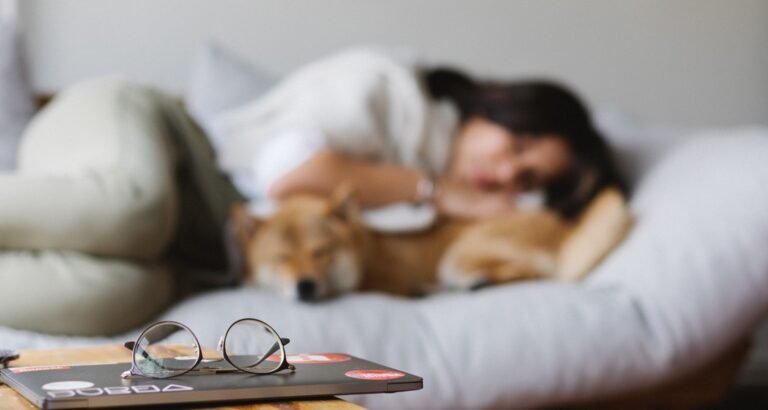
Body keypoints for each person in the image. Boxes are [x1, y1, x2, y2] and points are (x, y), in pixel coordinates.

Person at [210, 48, 625, 223]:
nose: (504, 175)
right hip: (186, 156)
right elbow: (289, 175)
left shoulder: (428, 176)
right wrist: (434, 189)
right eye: (516, 145)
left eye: (527, 179)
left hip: (212, 231)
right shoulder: (392, 92)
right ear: (494, 107)